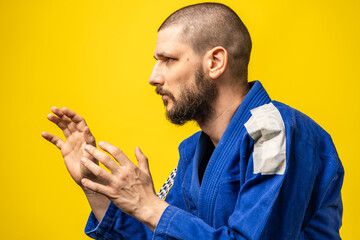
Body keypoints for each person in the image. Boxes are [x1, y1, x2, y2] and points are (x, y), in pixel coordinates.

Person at [42, 3, 344, 239]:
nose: (153, 77)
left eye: (168, 60)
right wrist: (94, 185)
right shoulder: (194, 153)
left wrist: (150, 206)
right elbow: (158, 233)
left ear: (214, 62)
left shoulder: (273, 135)